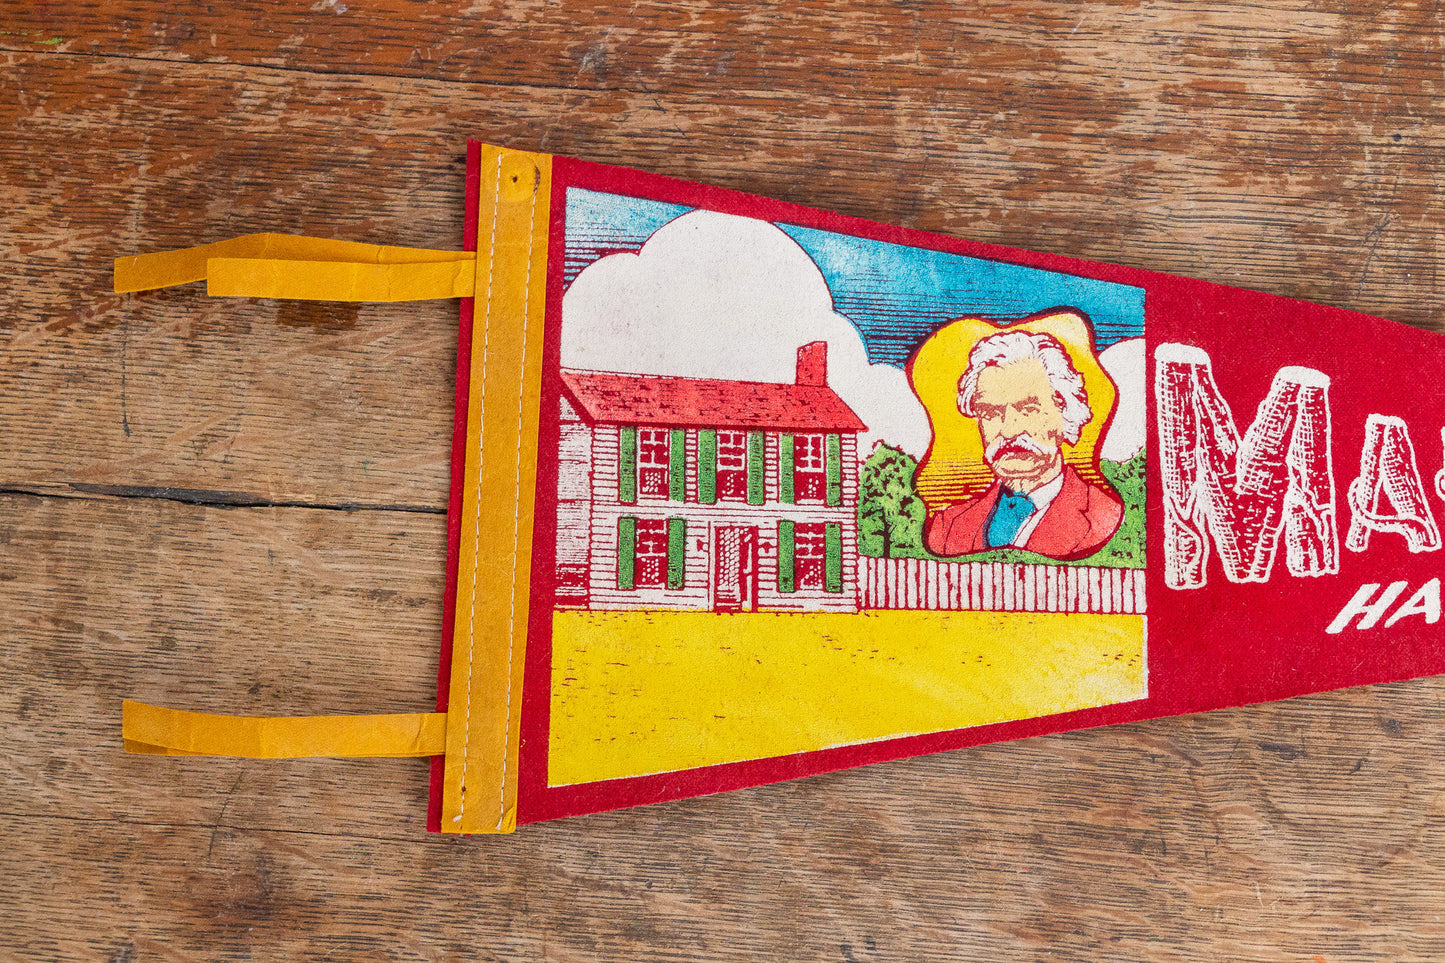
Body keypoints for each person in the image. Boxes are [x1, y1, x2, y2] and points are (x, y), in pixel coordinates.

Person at [924, 330, 1123, 560]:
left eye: (1029, 410)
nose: (1009, 431)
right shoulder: (946, 527)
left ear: (1065, 412)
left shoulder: (1106, 516)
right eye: (991, 413)